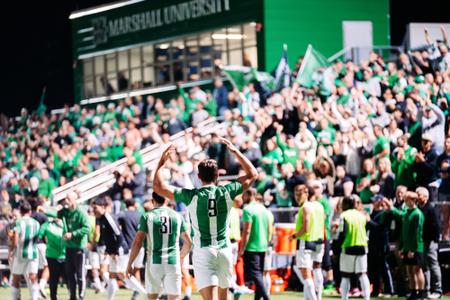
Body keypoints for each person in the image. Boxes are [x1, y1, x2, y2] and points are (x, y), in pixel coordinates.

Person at [152, 137, 258, 300]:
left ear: (199, 176)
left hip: (204, 250)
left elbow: (158, 188)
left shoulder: (191, 195)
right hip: (224, 249)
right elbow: (253, 174)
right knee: (223, 297)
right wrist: (235, 152)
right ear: (217, 175)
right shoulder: (226, 191)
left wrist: (161, 162)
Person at [126, 192, 192, 300]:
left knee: (152, 297)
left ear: (152, 201)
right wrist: (180, 257)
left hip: (154, 262)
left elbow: (138, 242)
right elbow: (188, 242)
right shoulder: (177, 216)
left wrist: (130, 263)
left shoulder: (147, 216)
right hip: (172, 262)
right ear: (166, 201)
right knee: (175, 297)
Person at [384, 192, 426, 300]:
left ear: (412, 200)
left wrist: (413, 249)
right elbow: (400, 214)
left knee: (417, 270)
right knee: (409, 270)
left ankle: (421, 293)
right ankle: (413, 292)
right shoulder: (407, 212)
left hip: (416, 247)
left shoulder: (417, 214)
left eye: (407, 199)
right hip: (407, 247)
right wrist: (391, 208)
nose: (405, 202)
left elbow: (417, 233)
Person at [290, 184, 326, 300]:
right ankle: (316, 297)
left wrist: (294, 236)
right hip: (319, 242)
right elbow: (323, 224)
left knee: (306, 274)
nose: (297, 197)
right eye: (296, 194)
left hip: (306, 242)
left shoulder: (305, 207)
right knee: (316, 269)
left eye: (299, 194)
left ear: (306, 194)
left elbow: (306, 227)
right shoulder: (319, 206)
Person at [239, 188, 274, 300]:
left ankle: (266, 297)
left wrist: (242, 248)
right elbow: (269, 228)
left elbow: (247, 231)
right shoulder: (263, 209)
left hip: (252, 247)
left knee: (256, 275)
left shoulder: (247, 209)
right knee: (258, 274)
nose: (242, 198)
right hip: (263, 246)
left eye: (243, 195)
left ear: (248, 195)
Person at [94, 197, 129, 300]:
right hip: (113, 251)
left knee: (122, 274)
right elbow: (107, 236)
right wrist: (108, 251)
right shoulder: (101, 219)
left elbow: (119, 235)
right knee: (112, 275)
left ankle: (142, 291)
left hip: (120, 250)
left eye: (96, 208)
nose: (94, 210)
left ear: (103, 207)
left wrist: (116, 252)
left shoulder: (108, 217)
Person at [58, 191, 90, 300]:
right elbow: (55, 214)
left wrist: (73, 234)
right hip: (69, 248)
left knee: (80, 275)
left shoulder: (81, 213)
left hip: (79, 248)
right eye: (65, 199)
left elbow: (86, 228)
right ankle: (72, 296)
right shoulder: (65, 212)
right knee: (70, 274)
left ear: (74, 200)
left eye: (68, 199)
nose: (66, 201)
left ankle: (81, 296)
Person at [337, 196, 370, 300]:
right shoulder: (361, 216)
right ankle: (367, 298)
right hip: (362, 247)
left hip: (348, 247)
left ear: (346, 204)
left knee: (345, 275)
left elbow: (342, 232)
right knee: (363, 274)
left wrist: (337, 247)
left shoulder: (344, 215)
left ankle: (344, 298)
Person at [9, 200, 40, 300]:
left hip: (21, 253)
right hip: (33, 252)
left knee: (16, 278)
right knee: (33, 276)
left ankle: (15, 298)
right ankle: (34, 298)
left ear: (21, 212)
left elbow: (16, 236)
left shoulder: (19, 222)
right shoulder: (36, 223)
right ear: (30, 212)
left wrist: (13, 248)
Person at [416, 187, 442, 299]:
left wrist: (434, 240)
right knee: (423, 265)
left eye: (419, 194)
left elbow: (436, 226)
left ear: (425, 197)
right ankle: (426, 290)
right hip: (422, 241)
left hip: (430, 241)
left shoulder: (431, 209)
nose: (417, 196)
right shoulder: (418, 208)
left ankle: (438, 290)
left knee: (433, 264)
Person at [118, 198, 144, 300]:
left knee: (125, 271)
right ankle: (136, 292)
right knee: (136, 271)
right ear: (135, 204)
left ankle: (140, 290)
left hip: (129, 246)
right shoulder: (140, 214)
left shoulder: (123, 214)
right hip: (140, 247)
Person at [39, 215, 66, 300]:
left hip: (54, 255)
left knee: (54, 279)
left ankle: (53, 297)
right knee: (67, 279)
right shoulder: (64, 223)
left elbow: (39, 236)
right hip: (61, 255)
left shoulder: (46, 225)